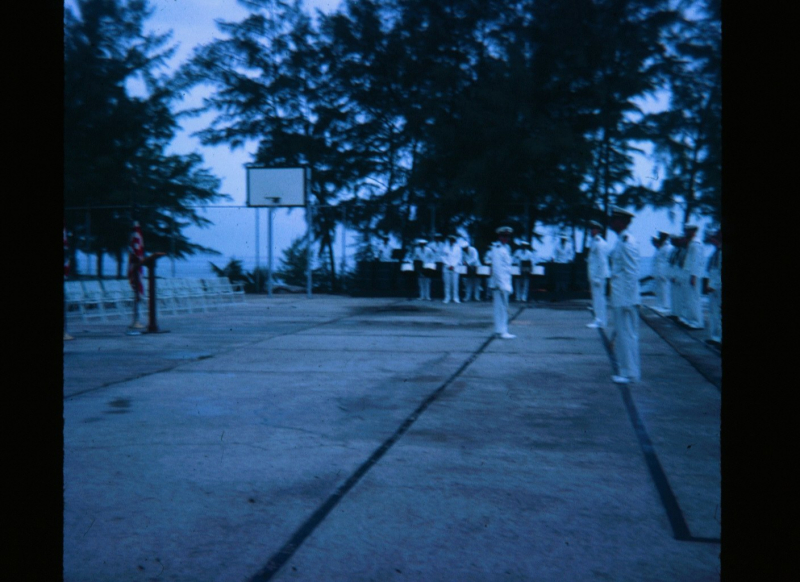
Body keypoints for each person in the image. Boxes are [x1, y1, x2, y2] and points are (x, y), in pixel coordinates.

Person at [608, 206, 641, 384]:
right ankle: (628, 371)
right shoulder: (621, 241)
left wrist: (628, 301)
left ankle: (629, 373)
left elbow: (632, 273)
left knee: (627, 335)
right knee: (624, 335)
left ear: (622, 222)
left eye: (615, 219)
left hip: (625, 299)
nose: (612, 222)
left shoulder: (628, 242)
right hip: (621, 297)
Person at [487, 226, 515, 339]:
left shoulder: (506, 248)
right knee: (501, 308)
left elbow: (507, 268)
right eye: (503, 236)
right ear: (499, 236)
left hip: (505, 282)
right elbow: (497, 269)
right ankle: (501, 331)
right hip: (500, 284)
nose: (505, 238)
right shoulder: (497, 249)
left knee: (502, 308)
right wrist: (502, 285)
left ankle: (501, 330)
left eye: (507, 236)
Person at [586, 220, 610, 328]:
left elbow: (601, 261)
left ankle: (600, 321)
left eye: (592, 229)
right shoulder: (596, 242)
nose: (591, 231)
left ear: (597, 230)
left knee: (599, 299)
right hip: (596, 276)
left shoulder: (599, 243)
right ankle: (598, 319)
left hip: (598, 277)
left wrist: (598, 277)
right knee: (597, 299)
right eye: (591, 229)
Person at [681, 224, 705, 330]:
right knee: (689, 299)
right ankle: (691, 320)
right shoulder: (691, 243)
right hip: (689, 274)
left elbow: (696, 261)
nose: (686, 233)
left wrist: (694, 276)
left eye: (688, 231)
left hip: (693, 275)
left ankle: (697, 322)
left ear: (693, 231)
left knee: (694, 299)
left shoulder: (696, 243)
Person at [704, 228, 722, 346]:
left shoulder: (720, 252)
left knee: (718, 312)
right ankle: (715, 337)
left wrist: (713, 285)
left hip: (718, 286)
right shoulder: (716, 252)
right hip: (714, 286)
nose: (712, 241)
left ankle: (719, 337)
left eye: (714, 238)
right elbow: (712, 270)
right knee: (714, 311)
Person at [653, 231, 672, 314]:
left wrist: (665, 273)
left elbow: (667, 261)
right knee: (660, 289)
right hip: (659, 272)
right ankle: (660, 304)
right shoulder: (661, 247)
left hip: (664, 272)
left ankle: (666, 305)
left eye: (661, 236)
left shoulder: (667, 247)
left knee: (665, 289)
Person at [442, 234, 463, 303]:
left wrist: (453, 265)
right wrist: (448, 265)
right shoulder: (445, 247)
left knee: (455, 284)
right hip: (446, 267)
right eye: (450, 240)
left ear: (454, 241)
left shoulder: (458, 248)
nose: (451, 242)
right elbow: (443, 257)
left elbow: (459, 258)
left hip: (455, 267)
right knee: (447, 284)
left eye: (453, 240)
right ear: (449, 241)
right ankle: (447, 297)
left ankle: (455, 298)